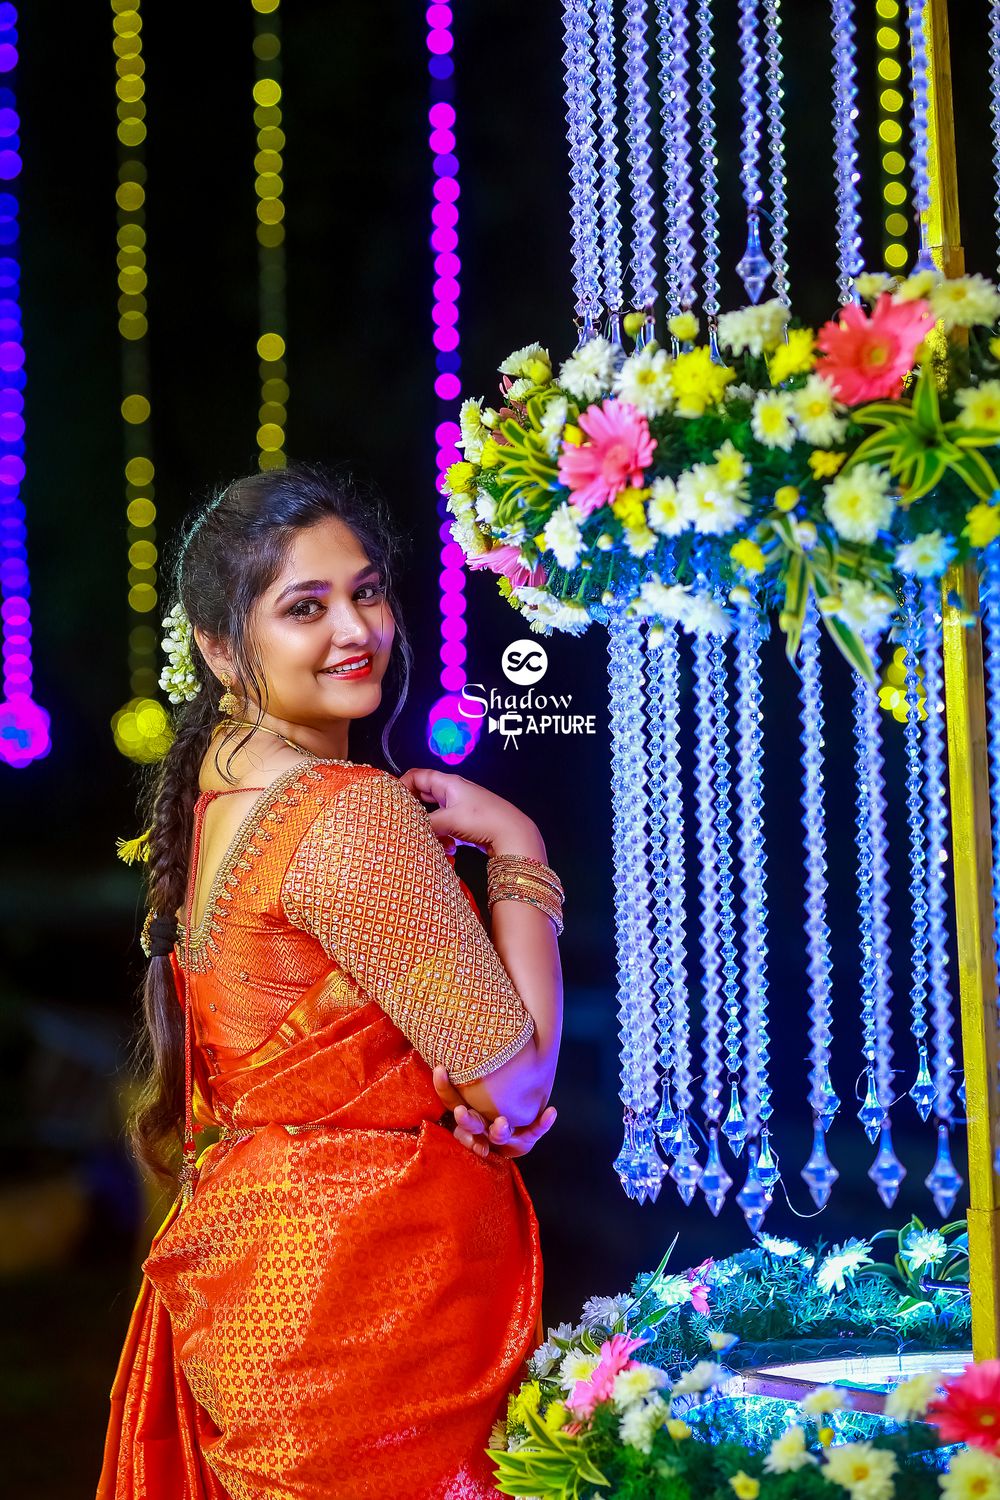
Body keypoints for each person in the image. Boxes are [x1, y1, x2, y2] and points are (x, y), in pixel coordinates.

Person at [97, 464, 565, 1500]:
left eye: (365, 592)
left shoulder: (222, 784)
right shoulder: (344, 810)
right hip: (364, 1309)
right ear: (222, 650)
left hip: (269, 1280)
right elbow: (517, 1084)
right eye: (304, 608)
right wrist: (518, 848)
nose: (355, 630)